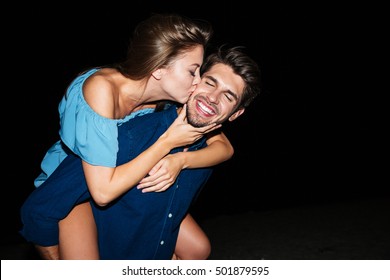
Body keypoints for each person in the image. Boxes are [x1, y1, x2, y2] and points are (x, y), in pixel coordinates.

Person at [21, 13, 235, 260]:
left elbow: (224, 146)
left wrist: (180, 161)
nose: (198, 83)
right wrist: (169, 141)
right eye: (192, 71)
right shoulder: (102, 90)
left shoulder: (163, 97)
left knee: (197, 249)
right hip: (76, 185)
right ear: (159, 68)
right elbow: (102, 192)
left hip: (126, 177)